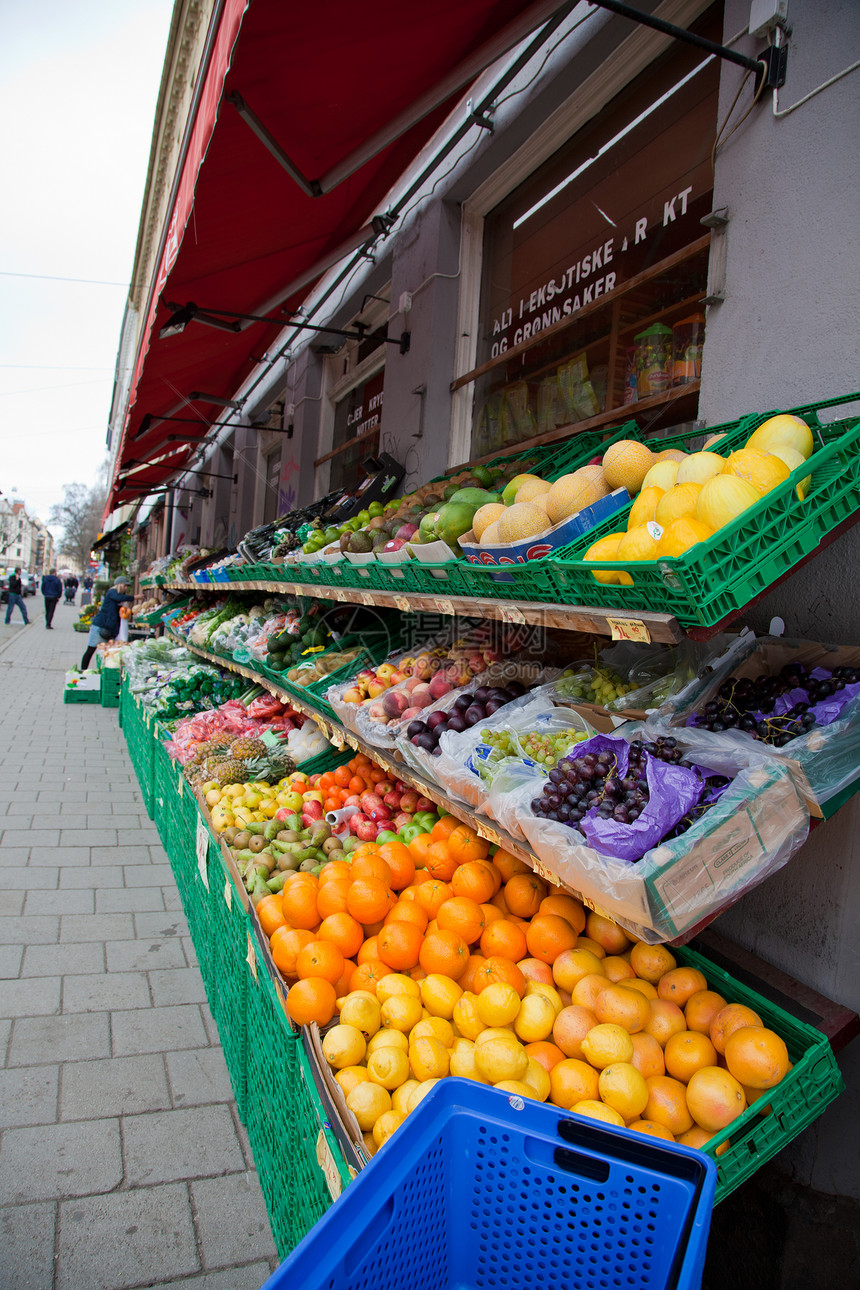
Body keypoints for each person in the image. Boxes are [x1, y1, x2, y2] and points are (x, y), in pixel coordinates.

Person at [80, 575, 134, 670]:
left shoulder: (116, 597)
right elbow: (118, 598)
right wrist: (134, 597)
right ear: (119, 584)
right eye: (124, 585)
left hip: (109, 630)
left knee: (108, 654)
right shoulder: (112, 593)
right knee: (91, 650)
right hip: (100, 627)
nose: (125, 588)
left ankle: (101, 672)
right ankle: (83, 670)